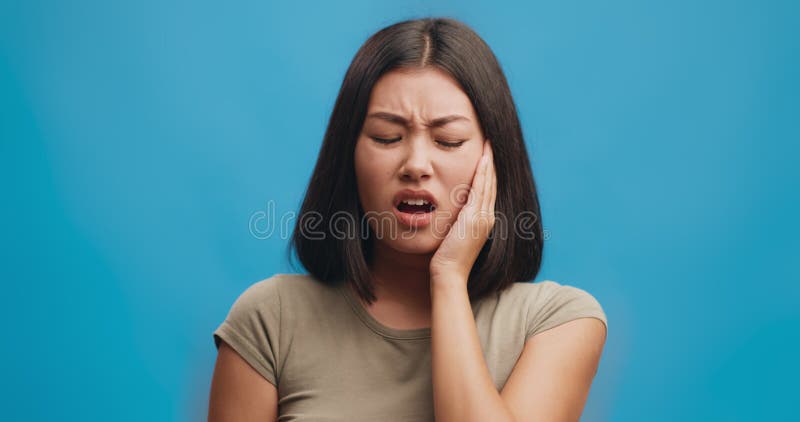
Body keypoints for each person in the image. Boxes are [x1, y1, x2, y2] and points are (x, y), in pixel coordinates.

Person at [208, 17, 608, 422]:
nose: (416, 165)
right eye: (386, 137)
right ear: (348, 155)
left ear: (494, 157)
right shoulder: (269, 319)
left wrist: (449, 277)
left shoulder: (558, 321)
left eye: (447, 141)